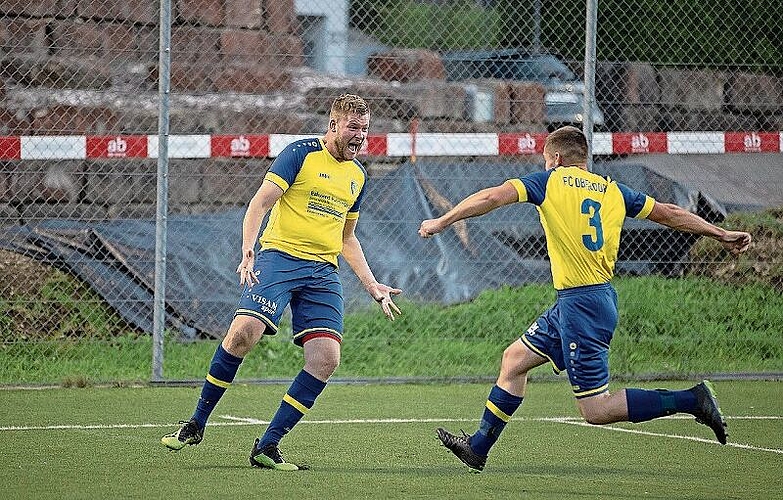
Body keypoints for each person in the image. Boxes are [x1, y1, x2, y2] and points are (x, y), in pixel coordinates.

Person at [418, 125, 751, 472]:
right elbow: (669, 212)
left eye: (547, 161)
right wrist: (720, 232)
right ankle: (477, 448)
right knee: (514, 360)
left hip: (583, 306)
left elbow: (491, 197)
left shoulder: (549, 182)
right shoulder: (612, 190)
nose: (545, 166)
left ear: (557, 159)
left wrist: (443, 220)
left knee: (596, 410)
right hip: (579, 301)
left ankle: (692, 399)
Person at [162, 94, 402, 471]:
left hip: (322, 272)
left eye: (365, 129)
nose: (360, 136)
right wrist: (248, 250)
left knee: (326, 359)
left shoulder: (358, 176)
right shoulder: (301, 153)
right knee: (243, 333)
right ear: (334, 125)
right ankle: (196, 423)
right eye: (353, 127)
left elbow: (346, 238)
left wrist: (371, 284)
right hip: (279, 258)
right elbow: (260, 203)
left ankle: (268, 445)